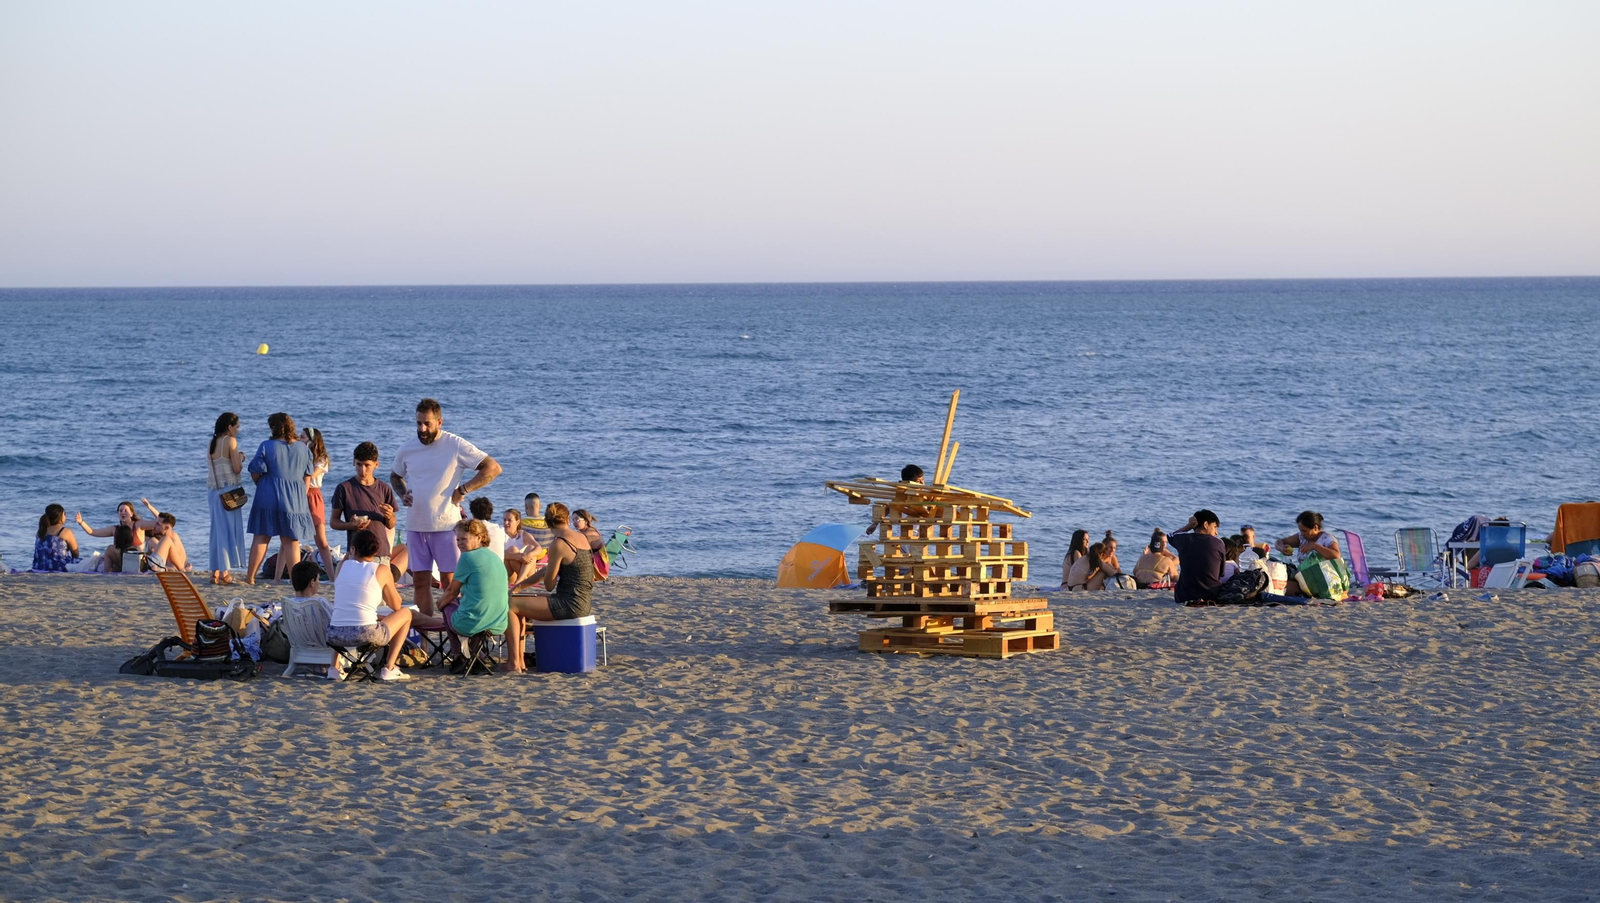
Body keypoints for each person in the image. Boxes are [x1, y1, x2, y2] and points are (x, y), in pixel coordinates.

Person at [391, 398, 502, 616]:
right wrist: (403, 494)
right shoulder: (407, 448)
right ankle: (424, 633)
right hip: (416, 526)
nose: (422, 429)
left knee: (450, 583)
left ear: (439, 422)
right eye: (418, 423)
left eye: (427, 424)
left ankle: (454, 629)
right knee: (420, 582)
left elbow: (493, 468)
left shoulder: (455, 445)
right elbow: (395, 476)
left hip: (446, 527)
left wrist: (464, 490)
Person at [507, 502, 593, 673]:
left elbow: (549, 585)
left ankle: (514, 662)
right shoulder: (581, 537)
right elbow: (548, 569)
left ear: (547, 523)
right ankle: (520, 661)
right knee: (518, 600)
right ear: (567, 519)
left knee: (509, 605)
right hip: (583, 601)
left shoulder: (559, 544)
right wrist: (520, 586)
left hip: (568, 603)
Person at [327, 529, 414, 681]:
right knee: (406, 613)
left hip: (334, 635)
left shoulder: (341, 566)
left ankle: (334, 668)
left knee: (343, 612)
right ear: (376, 551)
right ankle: (389, 667)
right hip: (364, 634)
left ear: (353, 549)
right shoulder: (381, 569)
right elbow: (396, 606)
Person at [244, 412, 315, 584]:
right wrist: (301, 496)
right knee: (291, 541)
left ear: (273, 428)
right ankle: (296, 580)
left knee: (261, 537)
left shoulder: (266, 446)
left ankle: (250, 577)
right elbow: (308, 476)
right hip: (295, 497)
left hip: (267, 494)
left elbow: (255, 470)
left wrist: (262, 484)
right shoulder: (303, 448)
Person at [435, 518, 510, 668]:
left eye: (464, 539)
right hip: (499, 623)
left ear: (479, 538)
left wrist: (439, 605)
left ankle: (459, 655)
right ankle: (476, 653)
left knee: (448, 606)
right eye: (458, 539)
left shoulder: (467, 557)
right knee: (463, 604)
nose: (459, 543)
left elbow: (451, 591)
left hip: (474, 624)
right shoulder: (494, 556)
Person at [330, 441, 399, 572]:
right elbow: (334, 522)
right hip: (357, 554)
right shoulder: (344, 488)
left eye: (367, 465)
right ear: (353, 462)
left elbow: (391, 525)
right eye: (359, 464)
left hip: (381, 552)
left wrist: (390, 516)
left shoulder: (384, 489)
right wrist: (351, 525)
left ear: (376, 465)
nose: (362, 470)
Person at [206, 412, 247, 585]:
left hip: (213, 491)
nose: (238, 430)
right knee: (227, 530)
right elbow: (236, 468)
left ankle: (214, 572)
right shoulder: (230, 441)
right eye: (236, 427)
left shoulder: (212, 442)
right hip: (228, 492)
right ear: (229, 427)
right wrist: (241, 458)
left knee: (216, 530)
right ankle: (224, 573)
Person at [1168, 510, 1227, 604]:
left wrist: (1189, 526)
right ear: (1206, 524)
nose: (1216, 532)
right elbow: (1221, 573)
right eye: (1215, 527)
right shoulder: (1218, 543)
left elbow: (1170, 536)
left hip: (1185, 596)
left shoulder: (1183, 539)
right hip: (1212, 595)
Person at [303, 427, 338, 575]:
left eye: (303, 437)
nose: (299, 440)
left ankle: (331, 576)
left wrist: (305, 453)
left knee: (321, 540)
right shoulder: (300, 456)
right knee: (290, 538)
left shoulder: (321, 459)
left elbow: (311, 474)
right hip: (300, 493)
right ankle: (279, 576)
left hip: (313, 495)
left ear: (312, 441)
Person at [77, 502, 153, 561]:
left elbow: (158, 524)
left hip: (136, 560)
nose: (123, 512)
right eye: (120, 511)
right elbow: (93, 532)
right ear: (118, 514)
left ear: (131, 514)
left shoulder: (138, 525)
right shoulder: (115, 529)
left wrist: (150, 507)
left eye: (126, 510)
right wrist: (81, 522)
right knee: (109, 549)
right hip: (120, 560)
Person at [138, 501, 189, 571]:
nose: (154, 526)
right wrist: (150, 507)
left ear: (167, 528)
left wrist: (183, 569)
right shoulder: (169, 537)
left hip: (156, 566)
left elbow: (174, 568)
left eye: (158, 524)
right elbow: (161, 520)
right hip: (154, 564)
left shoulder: (171, 540)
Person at [1277, 511, 1341, 564]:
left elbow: (1336, 555)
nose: (1302, 534)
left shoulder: (1326, 538)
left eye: (1305, 531)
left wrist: (1314, 546)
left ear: (1315, 527)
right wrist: (1282, 548)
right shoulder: (1301, 537)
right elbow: (1279, 542)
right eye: (1301, 530)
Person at [33, 504, 80, 572]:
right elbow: (75, 553)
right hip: (60, 568)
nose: (65, 516)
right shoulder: (65, 531)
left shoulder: (41, 531)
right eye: (64, 514)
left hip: (39, 567)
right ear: (60, 516)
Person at [503, 509, 543, 584]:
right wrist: (519, 556)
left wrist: (528, 555)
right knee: (513, 550)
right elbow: (498, 553)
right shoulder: (500, 534)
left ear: (517, 522)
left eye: (509, 520)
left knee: (531, 548)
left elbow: (539, 548)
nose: (506, 523)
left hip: (526, 572)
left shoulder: (523, 535)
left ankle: (521, 580)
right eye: (504, 520)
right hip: (511, 575)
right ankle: (524, 580)